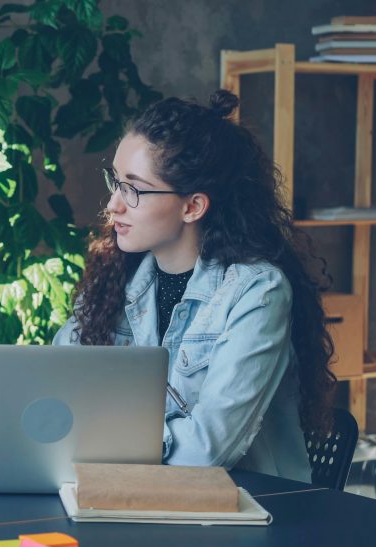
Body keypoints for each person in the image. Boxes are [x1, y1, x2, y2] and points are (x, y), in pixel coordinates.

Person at [54, 90, 336, 482]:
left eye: (133, 189)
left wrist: (106, 439)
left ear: (192, 207)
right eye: (115, 182)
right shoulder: (114, 277)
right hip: (144, 497)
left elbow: (206, 451)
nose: (113, 204)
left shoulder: (258, 293)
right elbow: (54, 394)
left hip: (254, 512)